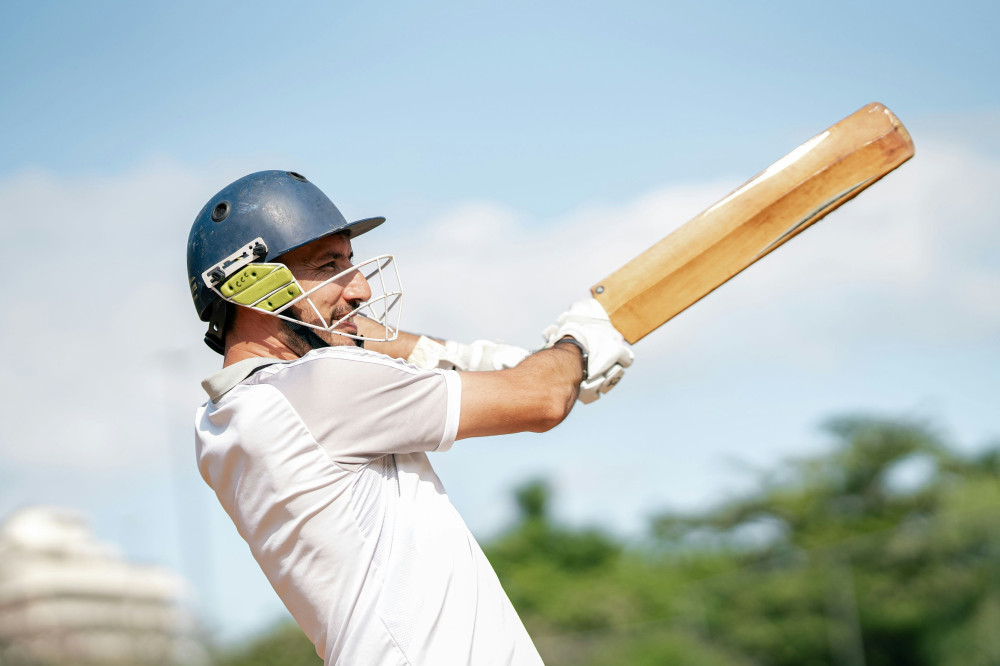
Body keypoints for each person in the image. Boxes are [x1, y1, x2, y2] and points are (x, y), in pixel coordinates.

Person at [187, 170, 634, 665]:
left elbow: (350, 336)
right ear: (252, 286)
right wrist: (577, 342)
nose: (359, 288)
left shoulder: (222, 419)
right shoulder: (319, 389)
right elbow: (543, 398)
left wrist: (471, 358)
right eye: (329, 265)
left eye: (349, 262)